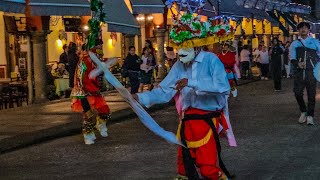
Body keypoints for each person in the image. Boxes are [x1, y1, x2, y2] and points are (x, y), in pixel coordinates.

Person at [133, 11, 236, 180]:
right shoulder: (180, 65)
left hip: (206, 120)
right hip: (187, 120)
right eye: (179, 46)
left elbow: (222, 87)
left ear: (196, 45)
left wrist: (192, 83)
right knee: (183, 164)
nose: (181, 51)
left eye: (185, 46)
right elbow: (165, 90)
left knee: (208, 166)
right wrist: (140, 98)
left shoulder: (211, 60)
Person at [71, 43, 111, 145]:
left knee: (105, 111)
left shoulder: (97, 60)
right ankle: (87, 135)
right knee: (88, 114)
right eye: (99, 47)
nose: (101, 49)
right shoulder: (83, 61)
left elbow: (100, 72)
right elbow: (79, 78)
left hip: (95, 90)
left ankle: (100, 125)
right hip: (84, 91)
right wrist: (82, 92)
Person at [289, 22, 320, 125]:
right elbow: (292, 57)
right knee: (297, 93)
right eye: (301, 28)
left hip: (311, 72)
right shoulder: (295, 43)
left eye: (305, 28)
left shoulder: (315, 42)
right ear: (298, 30)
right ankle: (303, 111)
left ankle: (310, 116)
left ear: (308, 30)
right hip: (299, 72)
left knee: (311, 94)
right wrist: (298, 63)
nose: (303, 29)